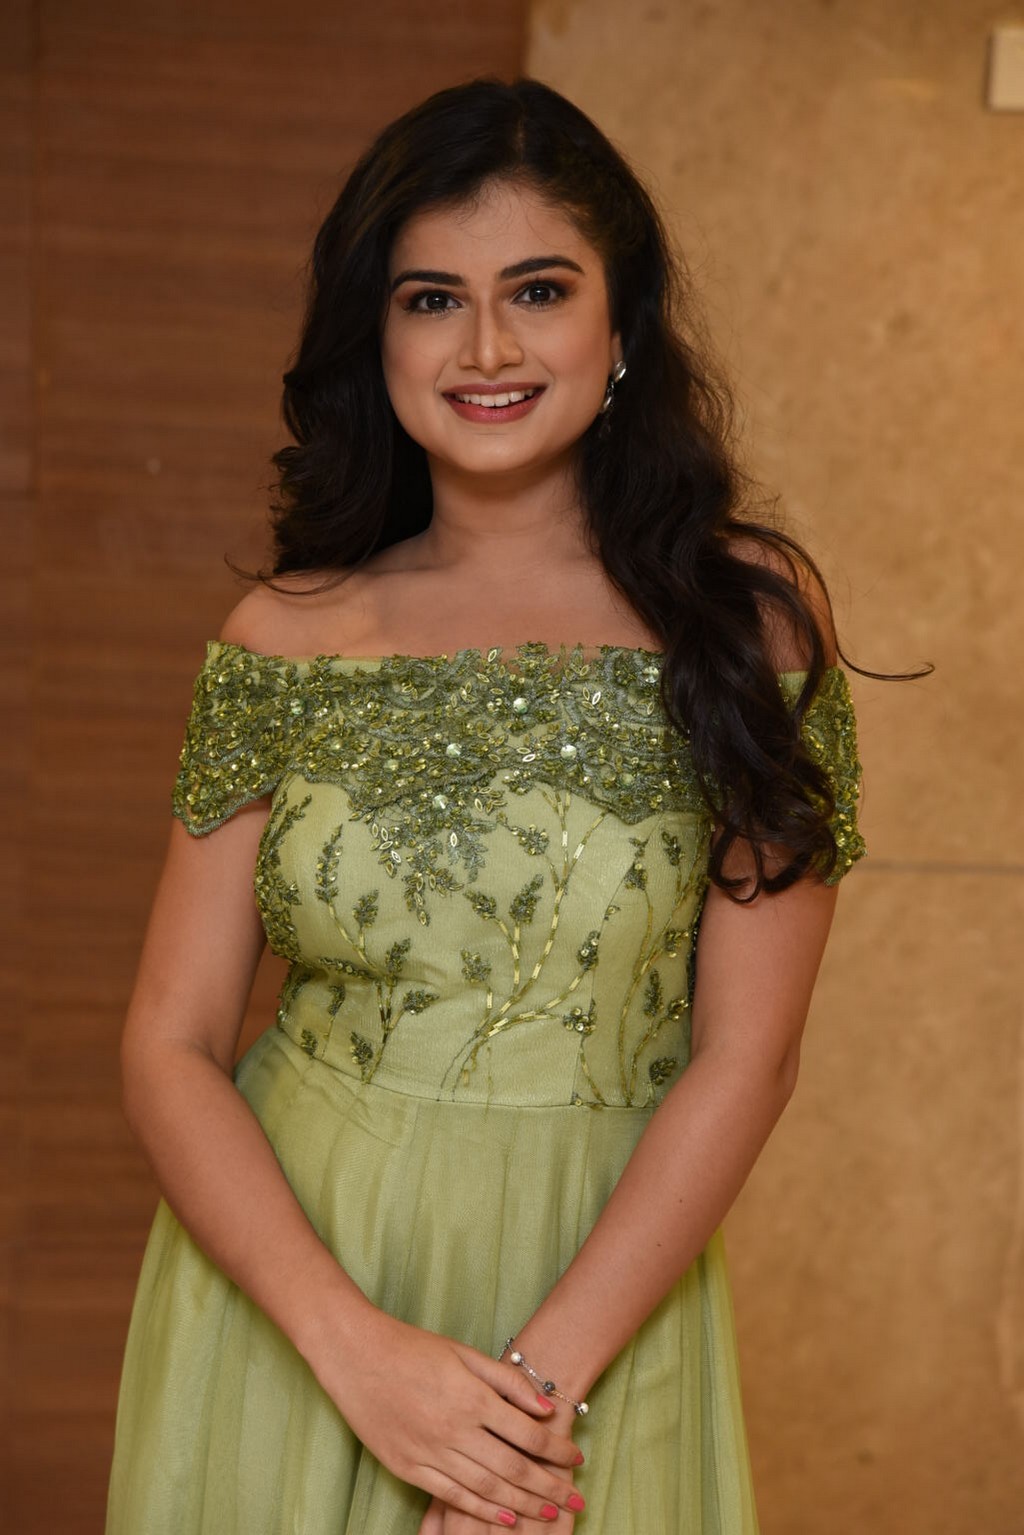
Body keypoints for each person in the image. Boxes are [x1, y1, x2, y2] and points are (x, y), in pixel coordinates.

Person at [105, 76, 867, 1535]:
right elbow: (171, 1040)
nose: (488, 348)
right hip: (290, 1301)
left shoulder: (746, 626)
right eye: (431, 300)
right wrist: (353, 1351)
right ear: (376, 337)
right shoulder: (285, 636)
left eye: (539, 290)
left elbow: (749, 1059)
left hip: (596, 1303)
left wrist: (526, 1404)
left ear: (623, 325)